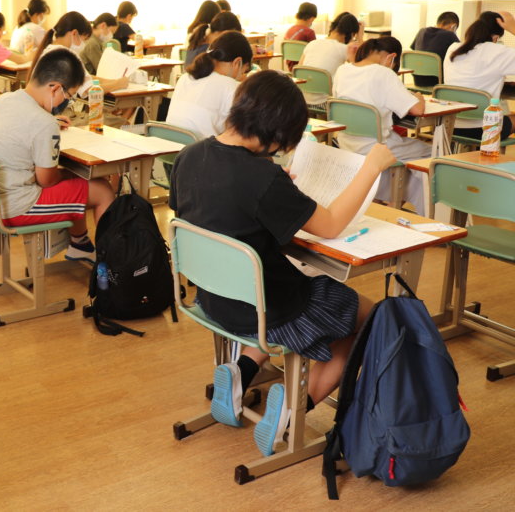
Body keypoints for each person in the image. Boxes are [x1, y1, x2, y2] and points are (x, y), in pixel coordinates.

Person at [169, 70, 396, 456]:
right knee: (370, 319)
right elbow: (331, 225)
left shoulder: (189, 156)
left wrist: (273, 190)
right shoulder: (263, 177)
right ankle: (293, 410)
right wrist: (371, 167)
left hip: (212, 298)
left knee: (273, 295)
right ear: (277, 131)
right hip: (265, 309)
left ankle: (240, 373)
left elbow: (208, 215)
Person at [0, 49, 115, 263]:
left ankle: (80, 244)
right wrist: (67, 172)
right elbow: (47, 181)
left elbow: (23, 126)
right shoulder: (43, 123)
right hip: (13, 206)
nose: (66, 102)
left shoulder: (5, 99)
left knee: (78, 181)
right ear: (55, 88)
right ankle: (111, 265)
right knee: (102, 190)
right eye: (68, 96)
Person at [333, 38, 431, 215]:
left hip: (347, 144)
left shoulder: (342, 70)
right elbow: (417, 109)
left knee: (407, 149)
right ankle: (421, 212)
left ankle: (389, 199)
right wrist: (419, 97)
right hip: (378, 147)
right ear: (391, 58)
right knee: (431, 154)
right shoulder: (383, 73)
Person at [443, 10, 515, 140]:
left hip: (449, 125)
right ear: (495, 37)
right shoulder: (498, 52)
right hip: (485, 129)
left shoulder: (452, 48)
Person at [165, 32, 252, 138]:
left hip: (169, 144)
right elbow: (242, 131)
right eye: (243, 71)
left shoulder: (185, 77)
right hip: (201, 147)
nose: (242, 76)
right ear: (237, 62)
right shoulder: (230, 86)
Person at [34, 11, 129, 94]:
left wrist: (112, 81)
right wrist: (118, 84)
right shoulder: (67, 56)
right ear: (74, 33)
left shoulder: (50, 49)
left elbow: (85, 77)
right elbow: (89, 90)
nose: (84, 44)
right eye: (84, 39)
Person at [298, 11, 362, 76]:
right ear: (351, 34)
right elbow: (361, 66)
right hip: (326, 83)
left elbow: (299, 69)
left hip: (303, 82)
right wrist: (360, 37)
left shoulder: (311, 43)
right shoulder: (344, 49)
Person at [409, 11, 460, 89]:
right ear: (454, 26)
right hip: (437, 82)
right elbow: (461, 54)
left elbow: (414, 50)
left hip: (417, 80)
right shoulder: (450, 35)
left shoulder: (422, 31)